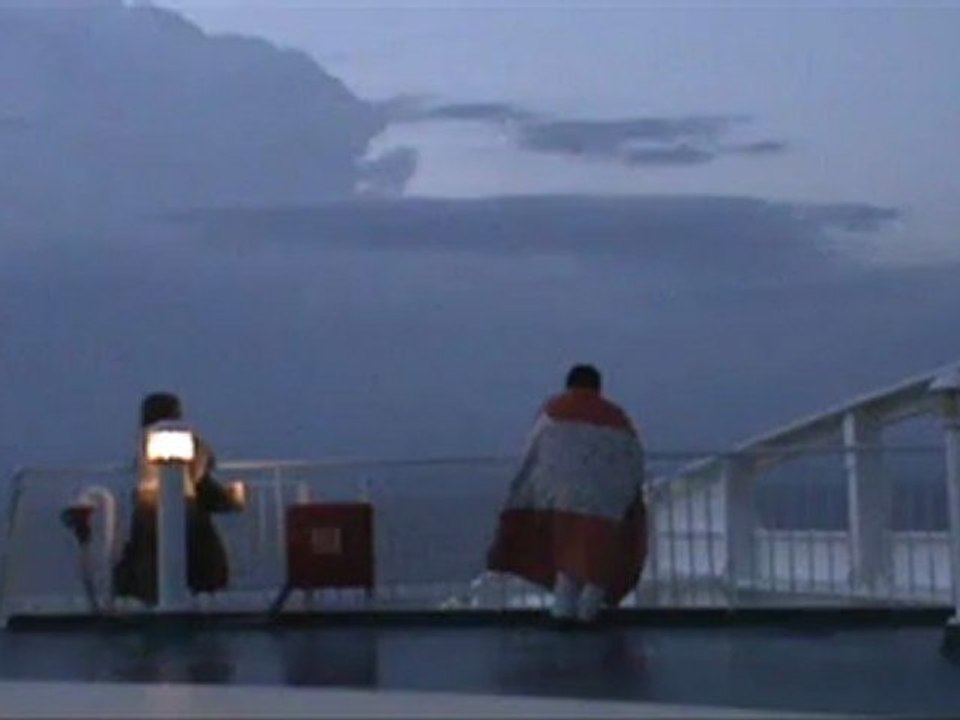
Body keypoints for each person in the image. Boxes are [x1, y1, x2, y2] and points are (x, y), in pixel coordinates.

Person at [487, 364, 647, 625]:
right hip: (605, 505)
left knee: (567, 559)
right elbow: (632, 460)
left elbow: (534, 452)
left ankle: (563, 616)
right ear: (598, 386)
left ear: (569, 384)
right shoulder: (618, 418)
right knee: (597, 564)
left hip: (561, 500)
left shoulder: (554, 410)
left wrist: (527, 491)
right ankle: (586, 618)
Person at [113, 392, 242, 605]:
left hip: (148, 510)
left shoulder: (145, 444)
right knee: (204, 566)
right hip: (187, 512)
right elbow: (200, 480)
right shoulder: (186, 441)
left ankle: (149, 600)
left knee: (148, 563)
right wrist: (231, 500)